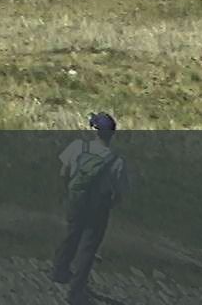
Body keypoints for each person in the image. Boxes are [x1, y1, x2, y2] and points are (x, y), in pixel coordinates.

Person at [52, 111, 129, 304]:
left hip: (76, 201)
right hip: (98, 209)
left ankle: (60, 271)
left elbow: (64, 173)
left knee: (71, 235)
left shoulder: (78, 146)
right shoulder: (116, 162)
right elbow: (119, 193)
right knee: (88, 249)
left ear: (94, 131)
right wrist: (110, 205)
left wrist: (69, 192)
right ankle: (76, 292)